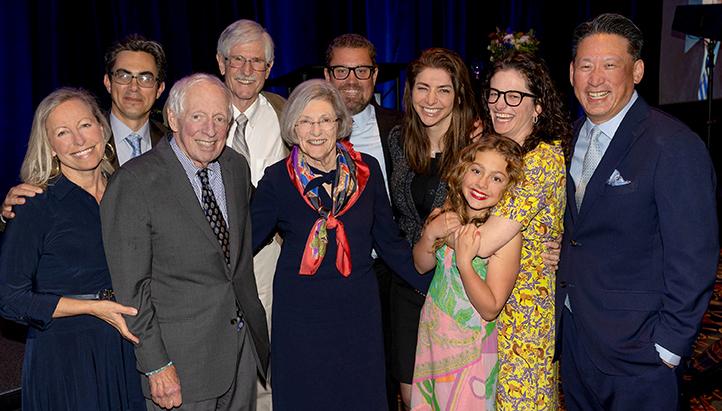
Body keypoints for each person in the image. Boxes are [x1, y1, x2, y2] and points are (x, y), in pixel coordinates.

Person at [557, 13, 718, 410]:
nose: (595, 79)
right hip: (576, 339)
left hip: (640, 352)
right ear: (571, 72)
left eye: (610, 65)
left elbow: (694, 256)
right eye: (585, 66)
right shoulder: (568, 138)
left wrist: (667, 347)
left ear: (638, 70)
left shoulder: (673, 145)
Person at [251, 79, 426, 410]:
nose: (316, 130)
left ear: (339, 124)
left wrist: (434, 285)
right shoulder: (276, 181)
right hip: (300, 318)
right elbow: (244, 244)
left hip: (357, 312)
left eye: (325, 120)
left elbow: (389, 242)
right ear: (292, 127)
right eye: (305, 121)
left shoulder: (367, 171)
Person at [100, 74, 269, 411]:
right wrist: (156, 365)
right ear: (174, 119)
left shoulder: (235, 167)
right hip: (181, 364)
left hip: (241, 354)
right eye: (198, 116)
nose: (210, 129)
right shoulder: (134, 182)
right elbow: (132, 288)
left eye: (220, 118)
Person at [0, 88, 144, 410]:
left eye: (85, 125)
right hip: (65, 359)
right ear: (50, 147)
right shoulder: (35, 206)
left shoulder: (129, 193)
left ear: (102, 129)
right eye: (63, 133)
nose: (79, 141)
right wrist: (93, 307)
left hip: (126, 353)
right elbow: (8, 298)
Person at [473, 50, 570, 409]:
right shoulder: (500, 153)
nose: (501, 104)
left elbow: (483, 243)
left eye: (514, 96)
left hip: (523, 317)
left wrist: (443, 228)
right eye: (495, 94)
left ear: (538, 106)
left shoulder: (540, 159)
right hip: (491, 308)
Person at [387, 47, 478, 410]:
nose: (431, 99)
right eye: (422, 88)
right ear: (410, 91)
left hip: (452, 287)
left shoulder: (475, 147)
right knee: (412, 398)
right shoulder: (398, 140)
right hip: (408, 283)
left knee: (454, 396)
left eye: (443, 89)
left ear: (458, 95)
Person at [1, 34, 169, 226]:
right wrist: (8, 214)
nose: (134, 87)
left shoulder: (176, 144)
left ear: (160, 88)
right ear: (108, 82)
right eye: (123, 75)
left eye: (145, 78)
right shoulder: (83, 144)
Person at [410, 135, 524, 410]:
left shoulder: (505, 237)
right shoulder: (450, 210)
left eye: (497, 178)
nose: (482, 183)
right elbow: (421, 265)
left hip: (470, 352)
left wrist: (465, 263)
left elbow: (490, 308)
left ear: (509, 188)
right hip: (433, 340)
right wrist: (430, 235)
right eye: (476, 171)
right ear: (462, 171)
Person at [323, 32, 403, 409]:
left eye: (361, 69)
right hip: (325, 275)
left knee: (385, 379)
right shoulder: (304, 128)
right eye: (341, 69)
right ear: (327, 75)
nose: (351, 79)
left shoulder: (402, 127)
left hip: (388, 275)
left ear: (375, 75)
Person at [215, 19, 287, 409]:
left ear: (269, 68)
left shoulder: (287, 113)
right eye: (237, 60)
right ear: (220, 62)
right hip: (210, 259)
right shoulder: (196, 112)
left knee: (269, 359)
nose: (246, 70)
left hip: (271, 258)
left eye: (256, 62)